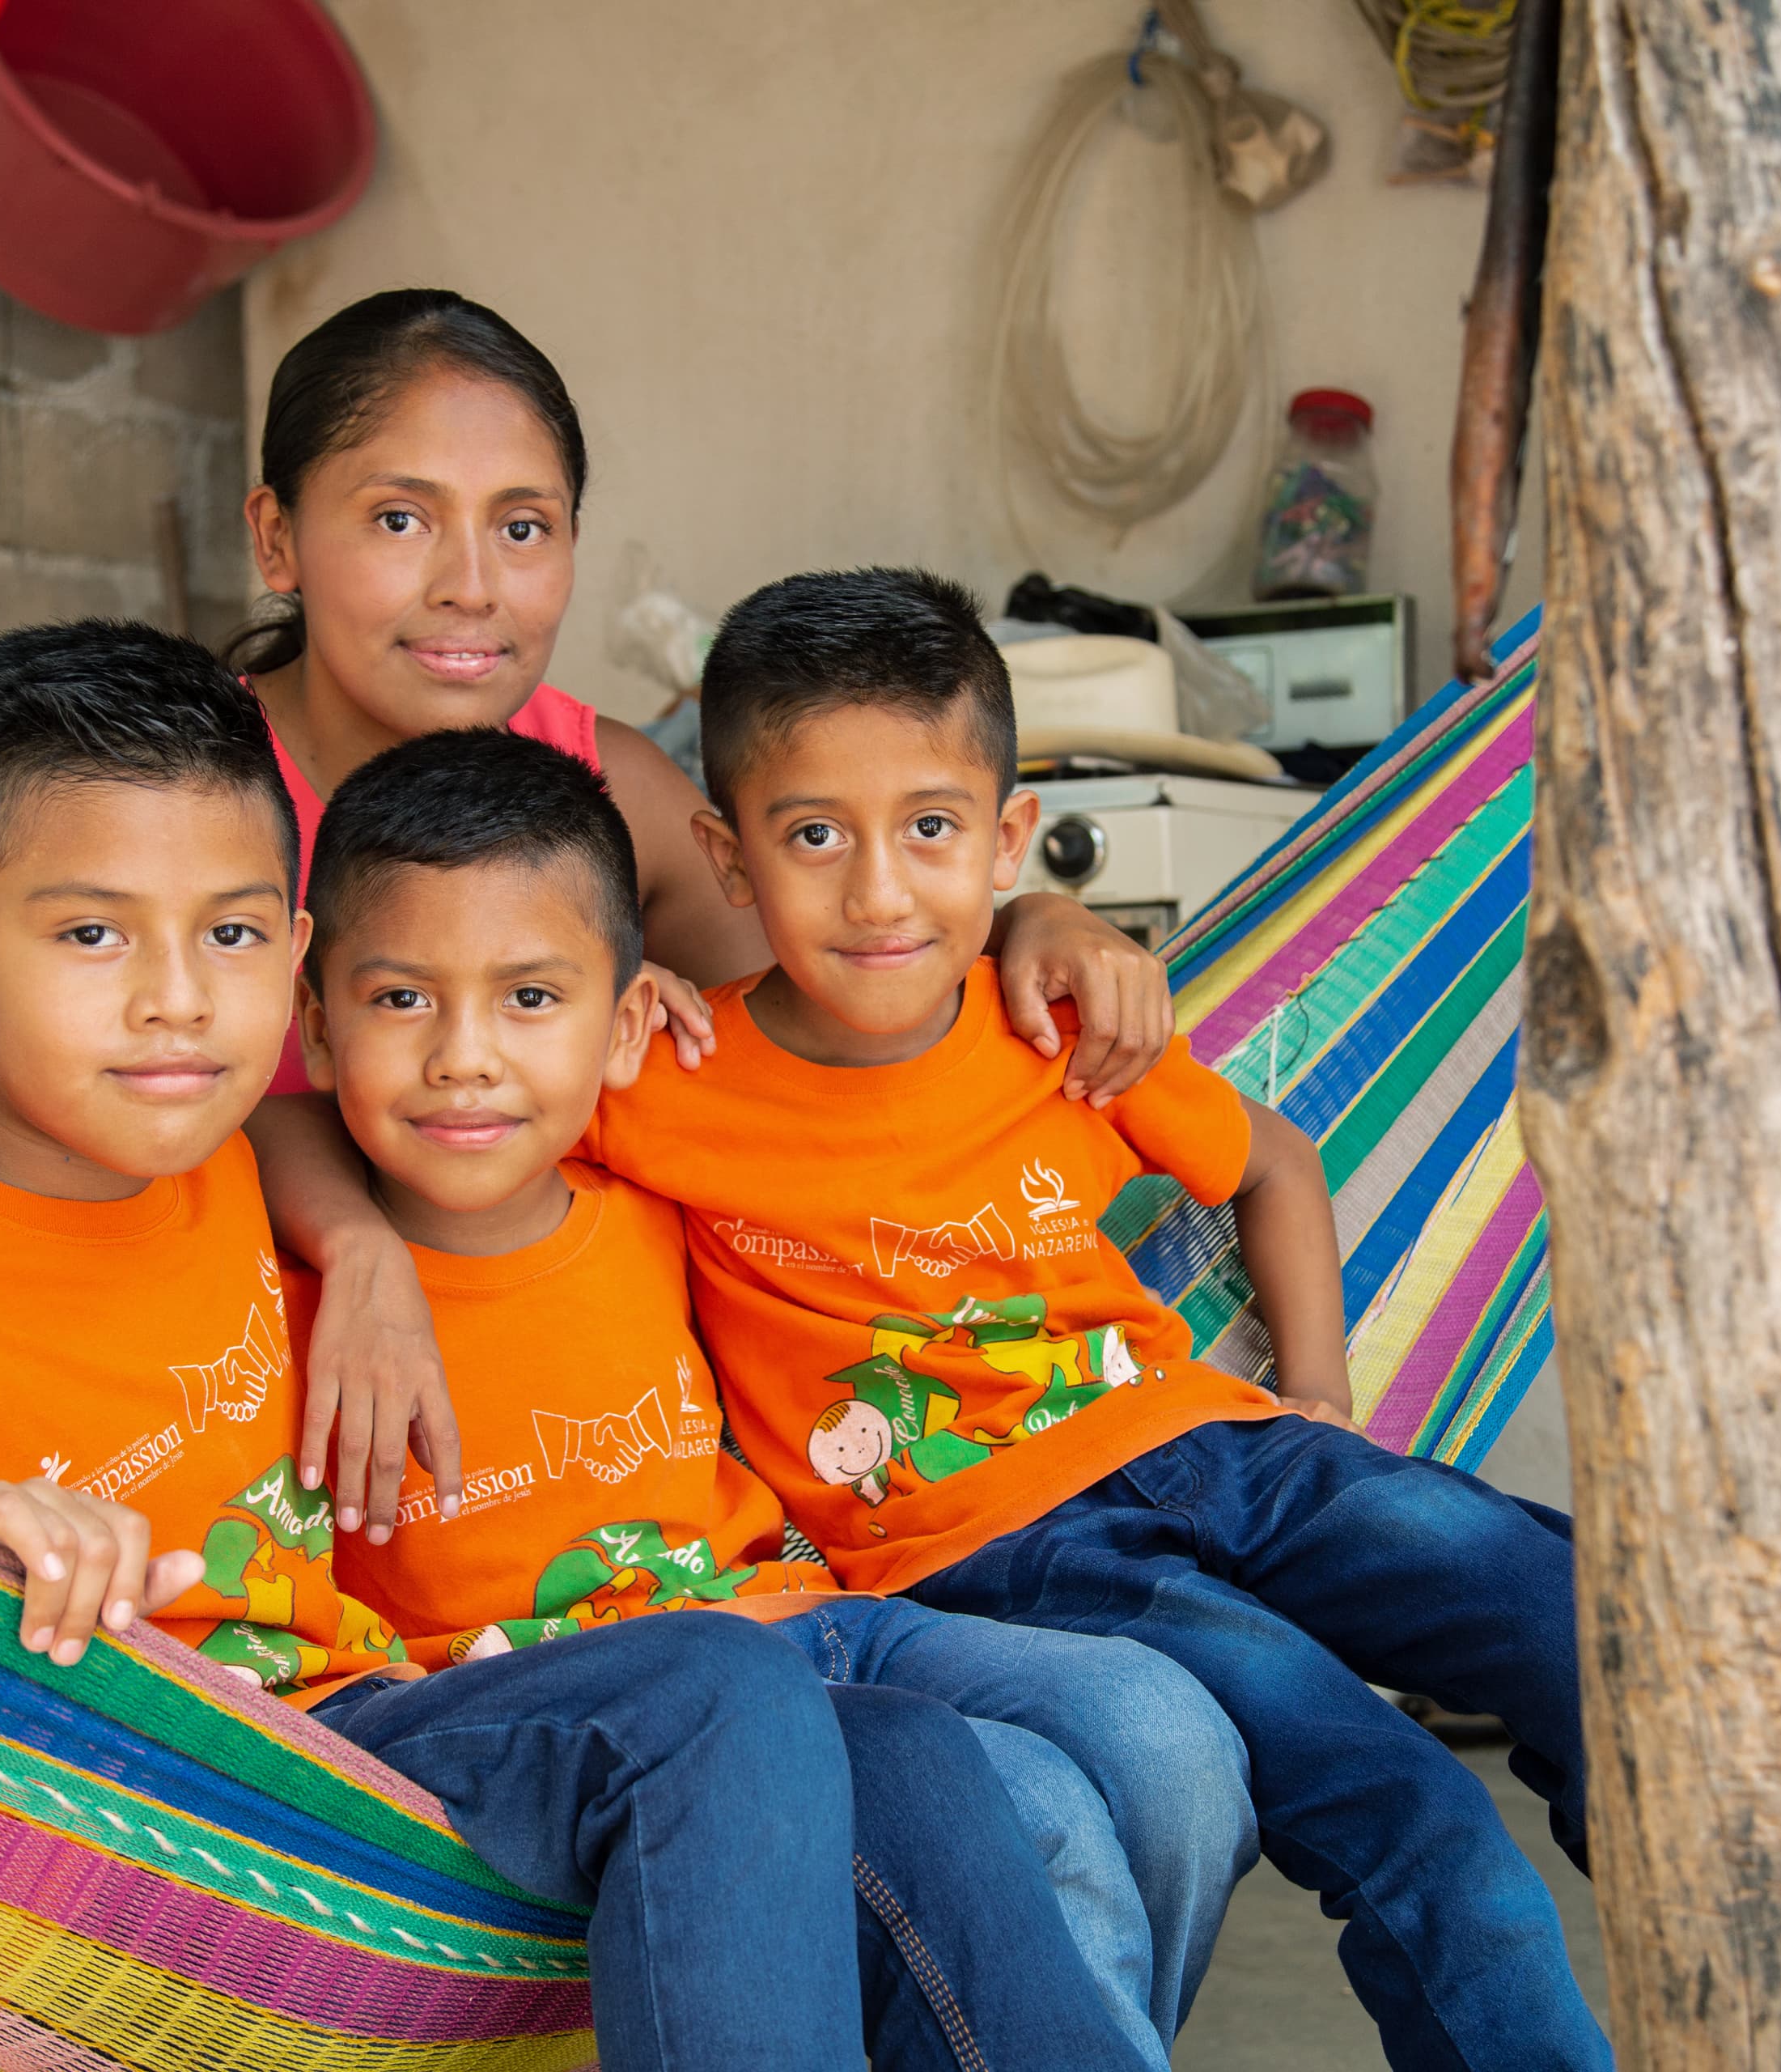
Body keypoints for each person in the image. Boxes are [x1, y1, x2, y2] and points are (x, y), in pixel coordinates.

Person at [0, 617, 1164, 2072]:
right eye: (92, 933)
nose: (176, 997)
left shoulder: (234, 1165)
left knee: (901, 1748)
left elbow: (571, 1070)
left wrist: (1031, 921)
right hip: (143, 1816)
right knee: (709, 1687)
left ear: (292, 964)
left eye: (228, 934)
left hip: (368, 1744)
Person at [0, 288, 1175, 1559]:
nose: (472, 586)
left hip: (575, 1445)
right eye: (400, 518)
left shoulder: (608, 787)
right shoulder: (170, 794)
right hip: (248, 1444)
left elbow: (838, 1015)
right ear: (278, 538)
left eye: (523, 527)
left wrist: (1026, 907)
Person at [568, 567, 1612, 2072]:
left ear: (1003, 840)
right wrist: (587, 995)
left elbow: (1274, 1163)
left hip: (1232, 1450)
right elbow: (432, 1124)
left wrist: (1317, 1391)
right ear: (728, 860)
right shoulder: (661, 1079)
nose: (877, 892)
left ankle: (1734, 1943)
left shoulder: (1049, 1022)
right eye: (814, 838)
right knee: (1414, 1808)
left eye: (930, 830)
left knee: (1575, 1619)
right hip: (1010, 1549)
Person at [288, 724, 1254, 2058]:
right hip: (548, 1712)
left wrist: (1033, 912)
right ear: (315, 1024)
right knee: (1022, 1799)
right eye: (402, 1001)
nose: (466, 1058)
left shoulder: (663, 1190)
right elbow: (190, 1142)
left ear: (628, 1023)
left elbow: (869, 1105)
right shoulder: (283, 1267)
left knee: (1160, 1738)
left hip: (798, 1624)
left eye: (530, 999)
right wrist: (349, 1243)